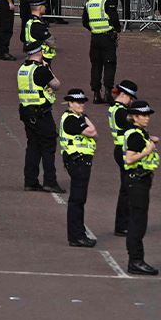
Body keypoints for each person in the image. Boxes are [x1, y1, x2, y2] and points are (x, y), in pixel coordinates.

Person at [121, 101, 161, 275]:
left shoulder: (140, 133)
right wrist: (148, 149)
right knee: (138, 223)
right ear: (135, 117)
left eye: (147, 115)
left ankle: (136, 260)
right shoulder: (135, 135)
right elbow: (129, 159)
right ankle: (135, 261)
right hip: (137, 181)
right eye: (143, 115)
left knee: (139, 221)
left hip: (141, 181)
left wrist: (150, 140)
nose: (147, 118)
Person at [17, 41, 62, 192]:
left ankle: (30, 181)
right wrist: (48, 68)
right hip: (41, 113)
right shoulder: (41, 70)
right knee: (48, 147)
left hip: (26, 112)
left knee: (33, 147)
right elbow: (56, 85)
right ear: (39, 52)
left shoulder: (23, 69)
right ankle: (50, 181)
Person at [59, 89, 100, 248]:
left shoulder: (78, 117)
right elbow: (92, 132)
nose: (81, 104)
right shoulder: (71, 119)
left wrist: (86, 120)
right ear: (70, 103)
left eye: (83, 102)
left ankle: (78, 233)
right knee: (77, 200)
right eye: (78, 102)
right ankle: (76, 236)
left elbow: (94, 132)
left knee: (79, 200)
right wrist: (87, 122)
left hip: (81, 162)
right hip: (77, 162)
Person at [83, 0, 122, 103]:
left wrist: (94, 28)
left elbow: (85, 22)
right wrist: (117, 30)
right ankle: (108, 93)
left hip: (95, 38)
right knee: (109, 64)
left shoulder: (88, 4)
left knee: (96, 66)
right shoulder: (107, 2)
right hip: (107, 37)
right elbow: (115, 19)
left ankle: (96, 94)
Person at [108, 79, 139, 237]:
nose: (131, 101)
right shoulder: (121, 111)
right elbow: (133, 126)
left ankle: (123, 223)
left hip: (120, 149)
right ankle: (122, 225)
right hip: (124, 150)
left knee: (126, 188)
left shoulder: (115, 108)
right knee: (127, 189)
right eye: (131, 97)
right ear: (125, 95)